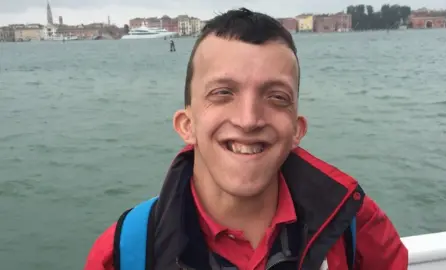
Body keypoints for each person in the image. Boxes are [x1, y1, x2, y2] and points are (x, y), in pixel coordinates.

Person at [84, 7, 408, 270]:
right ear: (187, 124)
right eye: (223, 93)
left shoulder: (354, 225)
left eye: (276, 97)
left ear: (297, 130)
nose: (249, 119)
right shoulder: (126, 254)